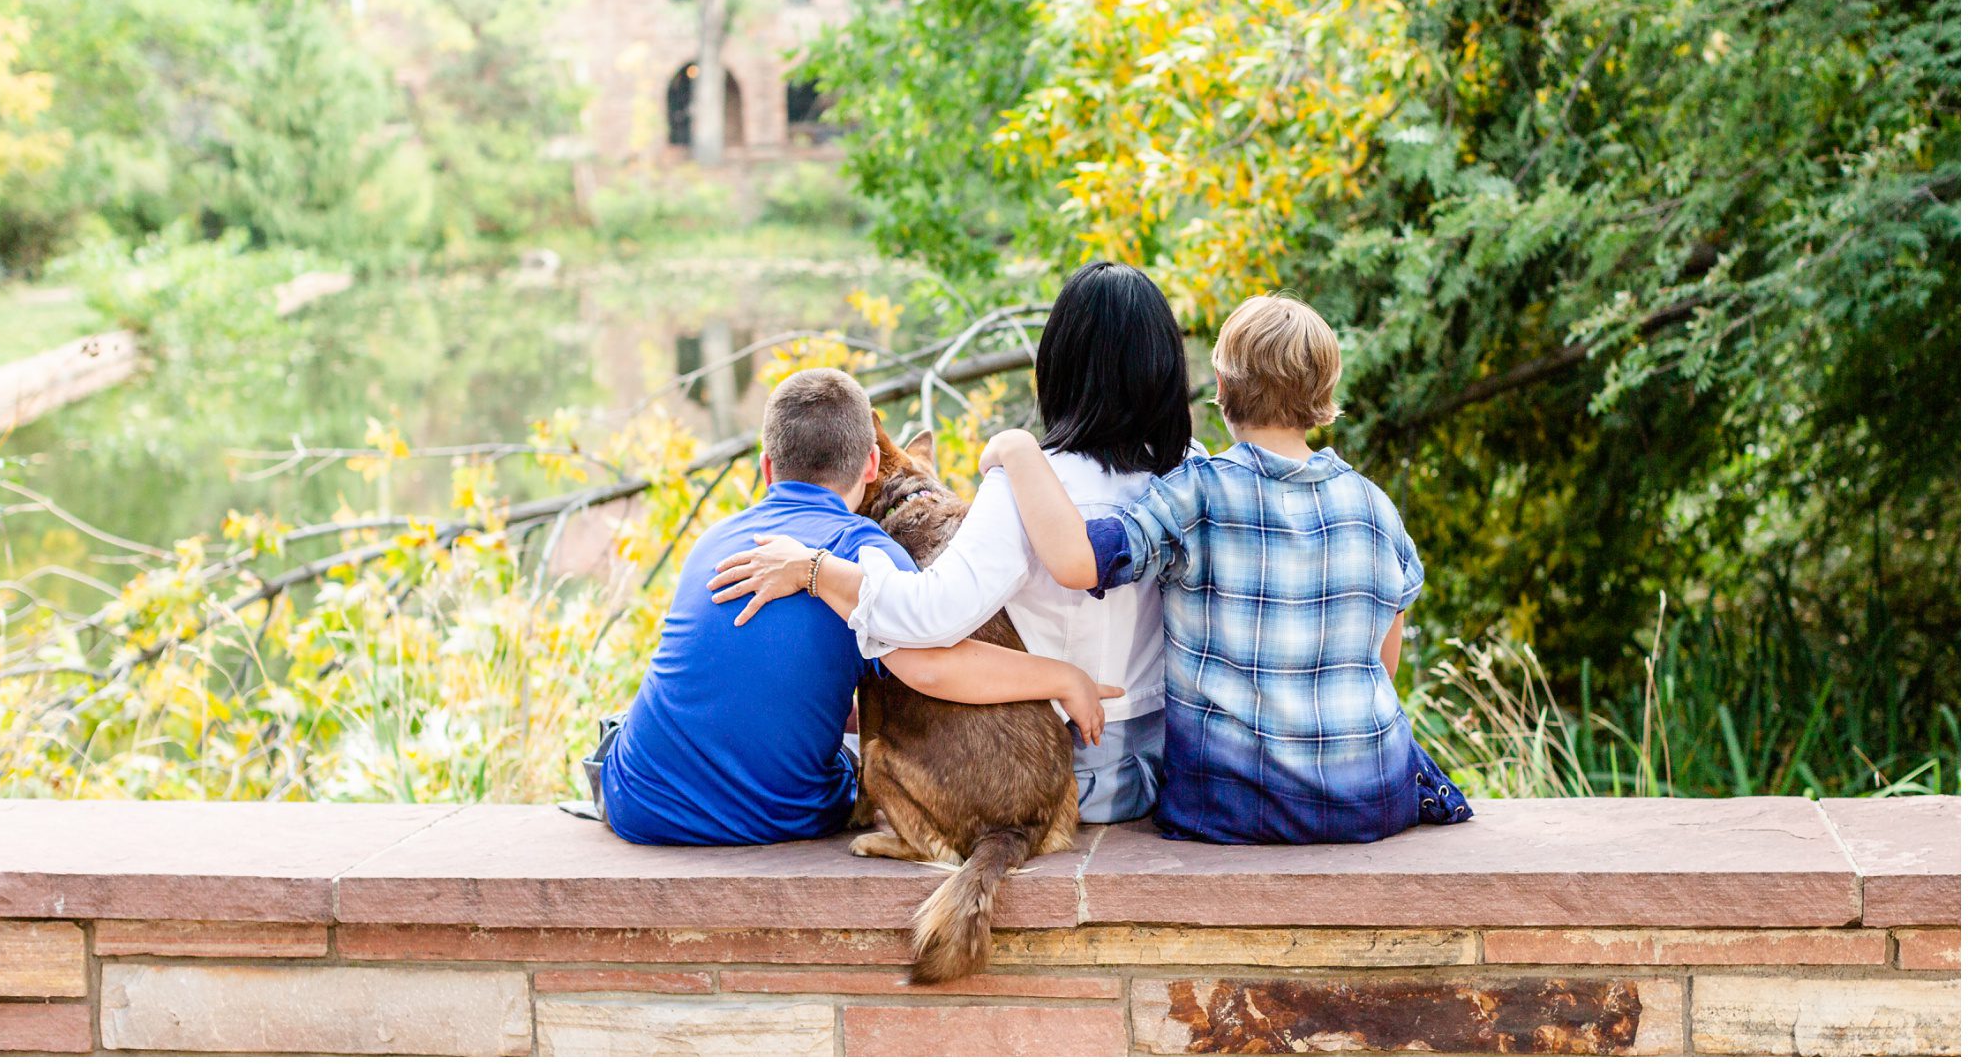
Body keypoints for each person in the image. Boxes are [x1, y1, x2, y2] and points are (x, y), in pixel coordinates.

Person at [708, 262, 1194, 823]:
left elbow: (930, 618)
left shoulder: (1024, 488)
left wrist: (814, 569)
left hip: (1067, 777)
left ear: (1056, 370)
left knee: (841, 750)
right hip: (1165, 769)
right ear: (1164, 370)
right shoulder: (1188, 478)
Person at [981, 294, 1473, 845]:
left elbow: (1077, 562)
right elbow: (1383, 662)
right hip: (1371, 796)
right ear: (1327, 393)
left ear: (1220, 384)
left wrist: (1017, 450)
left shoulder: (1198, 493)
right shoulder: (1374, 506)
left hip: (1232, 805)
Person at [599, 367, 1119, 847]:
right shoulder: (868, 549)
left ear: (766, 468)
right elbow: (934, 669)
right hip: (780, 816)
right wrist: (1064, 678)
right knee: (853, 765)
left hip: (636, 802)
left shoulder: (715, 540)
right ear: (872, 465)